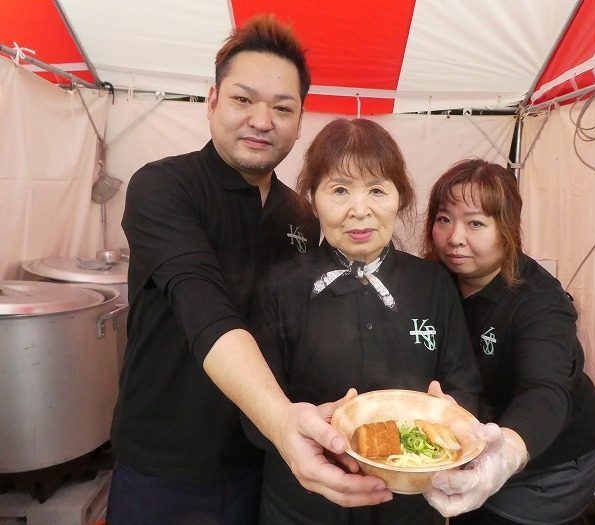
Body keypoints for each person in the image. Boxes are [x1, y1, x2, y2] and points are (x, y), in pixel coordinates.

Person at [107, 16, 391, 524]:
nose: (263, 120)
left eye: (282, 108)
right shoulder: (165, 187)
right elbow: (203, 305)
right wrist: (283, 421)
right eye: (243, 100)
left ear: (300, 120)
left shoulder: (301, 215)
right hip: (166, 463)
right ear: (212, 100)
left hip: (264, 460)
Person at [246, 118, 482, 524]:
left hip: (407, 507)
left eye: (376, 189)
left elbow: (464, 384)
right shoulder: (280, 287)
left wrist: (452, 417)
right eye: (339, 190)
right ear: (313, 198)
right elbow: (253, 414)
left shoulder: (432, 284)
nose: (360, 210)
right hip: (304, 504)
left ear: (400, 197)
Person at [421, 159, 595, 525]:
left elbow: (544, 389)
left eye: (476, 223)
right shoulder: (435, 278)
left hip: (554, 458)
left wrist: (506, 453)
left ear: (507, 228)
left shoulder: (538, 302)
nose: (455, 237)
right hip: (479, 437)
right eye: (444, 219)